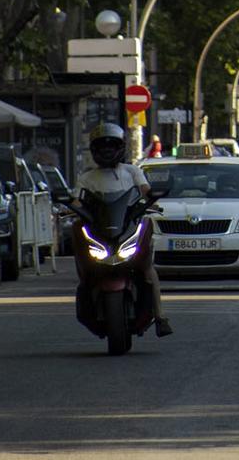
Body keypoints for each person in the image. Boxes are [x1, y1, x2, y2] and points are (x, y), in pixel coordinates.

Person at [75, 124, 171, 337]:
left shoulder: (132, 171)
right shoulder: (87, 177)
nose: (107, 150)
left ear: (121, 147)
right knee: (78, 234)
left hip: (128, 228)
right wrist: (71, 208)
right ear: (94, 149)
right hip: (100, 232)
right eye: (102, 146)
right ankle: (88, 295)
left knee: (147, 268)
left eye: (112, 145)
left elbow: (146, 191)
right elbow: (76, 200)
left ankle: (161, 316)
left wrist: (152, 200)